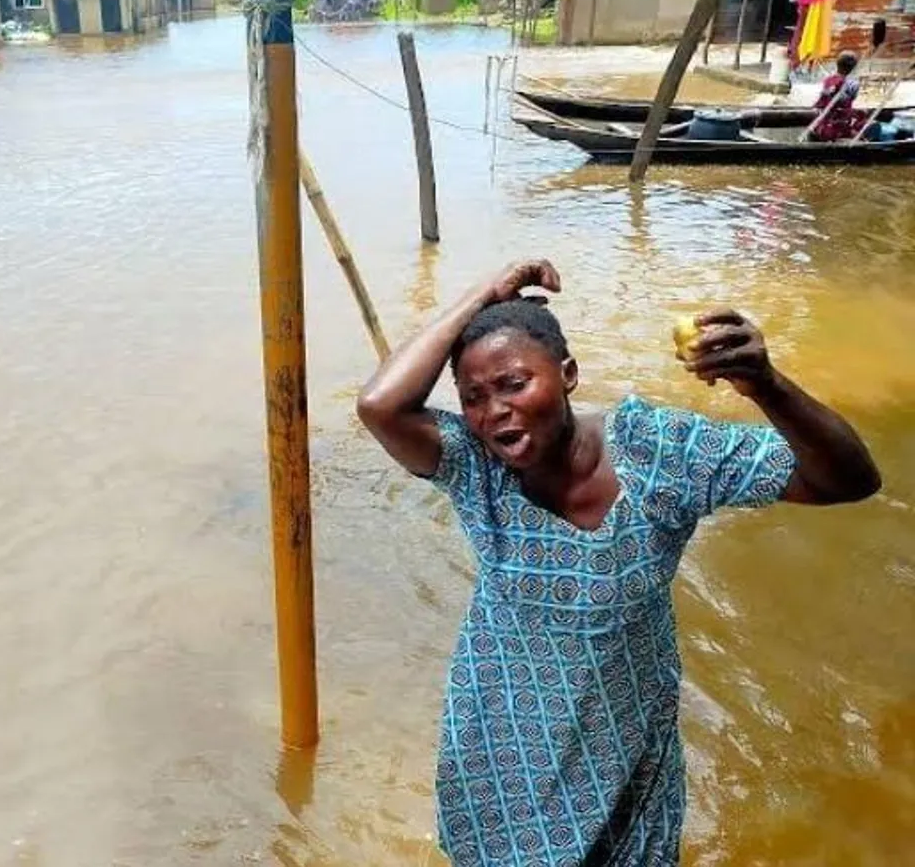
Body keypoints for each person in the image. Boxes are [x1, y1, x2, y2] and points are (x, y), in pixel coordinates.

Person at [355, 260, 881, 867]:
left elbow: (849, 478)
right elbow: (380, 406)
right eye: (474, 397)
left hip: (623, 736)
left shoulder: (659, 453)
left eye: (515, 383)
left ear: (569, 375)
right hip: (504, 738)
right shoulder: (476, 469)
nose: (494, 410)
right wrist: (483, 294)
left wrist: (766, 385)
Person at [810, 51, 866, 142]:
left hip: (823, 123)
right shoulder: (852, 84)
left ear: (837, 64)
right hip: (838, 125)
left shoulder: (828, 80)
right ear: (852, 68)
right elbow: (846, 103)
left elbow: (823, 100)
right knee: (862, 118)